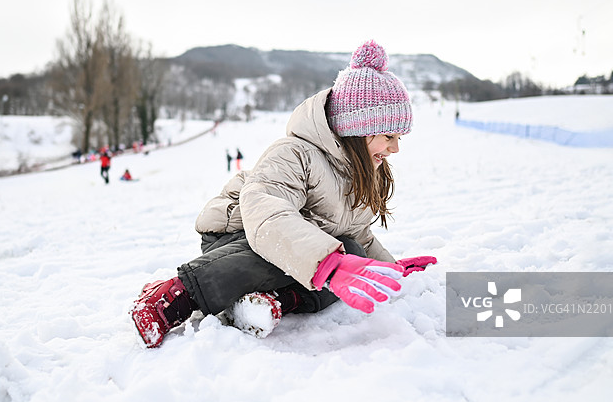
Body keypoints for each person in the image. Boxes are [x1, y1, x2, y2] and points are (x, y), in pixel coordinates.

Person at [129, 40, 437, 348]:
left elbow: (358, 235)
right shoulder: (295, 154)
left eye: (399, 137)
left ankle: (274, 300)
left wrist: (389, 270)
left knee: (349, 253)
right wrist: (329, 264)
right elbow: (268, 217)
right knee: (307, 256)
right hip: (240, 238)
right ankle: (175, 294)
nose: (395, 148)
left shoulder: (364, 171)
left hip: (297, 248)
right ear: (357, 129)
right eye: (389, 136)